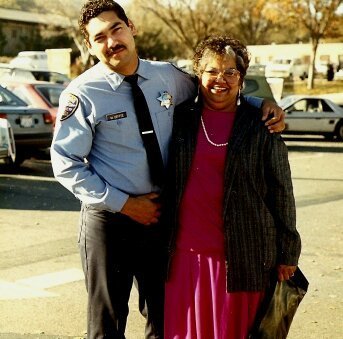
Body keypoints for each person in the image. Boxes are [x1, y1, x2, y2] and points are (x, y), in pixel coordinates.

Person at [50, 1, 286, 338]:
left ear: (131, 27)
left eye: (116, 29)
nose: (111, 41)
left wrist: (260, 103)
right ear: (90, 46)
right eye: (99, 37)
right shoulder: (83, 93)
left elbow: (213, 90)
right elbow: (65, 163)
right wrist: (125, 204)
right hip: (108, 219)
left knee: (163, 316)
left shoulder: (166, 76)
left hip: (160, 217)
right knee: (106, 320)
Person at [163, 35, 302, 339]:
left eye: (230, 72)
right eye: (211, 71)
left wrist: (288, 252)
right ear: (198, 74)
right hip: (187, 259)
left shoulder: (261, 124)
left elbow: (282, 191)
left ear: (241, 78)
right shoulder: (179, 119)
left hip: (244, 258)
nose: (220, 79)